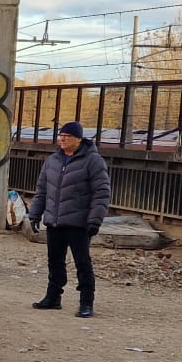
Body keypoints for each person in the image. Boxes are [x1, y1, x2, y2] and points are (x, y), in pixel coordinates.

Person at [26, 121, 111, 318]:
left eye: (67, 136)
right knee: (54, 261)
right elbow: (42, 190)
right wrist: (35, 214)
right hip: (55, 221)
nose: (62, 139)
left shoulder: (93, 161)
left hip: (79, 223)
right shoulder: (52, 160)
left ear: (78, 139)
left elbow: (102, 193)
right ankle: (53, 297)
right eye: (60, 136)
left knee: (82, 263)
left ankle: (86, 302)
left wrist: (95, 220)